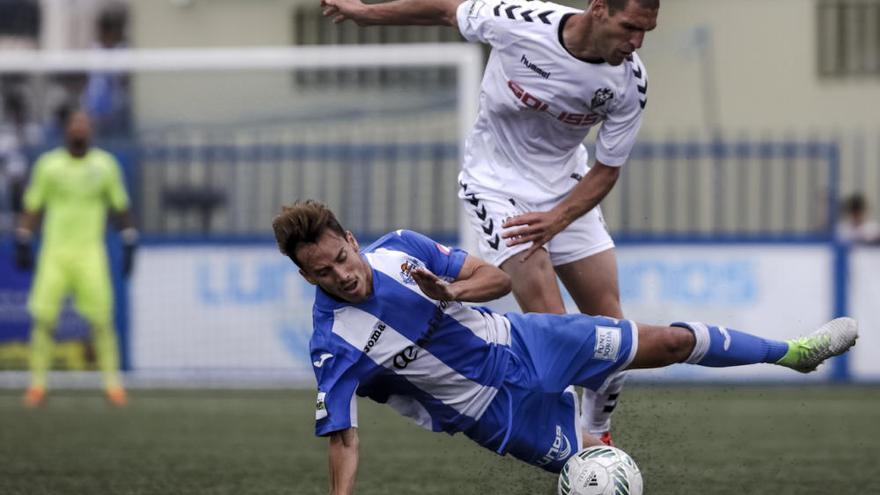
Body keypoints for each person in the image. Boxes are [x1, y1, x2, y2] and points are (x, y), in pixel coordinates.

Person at [272, 200, 857, 493]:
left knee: (672, 341)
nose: (341, 275)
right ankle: (591, 439)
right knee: (591, 483)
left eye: (341, 258)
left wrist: (449, 290)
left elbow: (498, 281)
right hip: (498, 416)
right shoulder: (333, 345)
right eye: (323, 273)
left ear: (351, 240)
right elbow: (344, 440)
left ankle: (794, 353)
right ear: (308, 279)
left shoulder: (401, 250)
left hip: (528, 341)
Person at [319, 0, 658, 441]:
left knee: (611, 326)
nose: (636, 42)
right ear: (598, 10)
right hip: (495, 187)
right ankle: (575, 446)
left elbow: (607, 169)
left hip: (566, 193)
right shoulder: (519, 22)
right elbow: (444, 10)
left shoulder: (630, 81)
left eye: (646, 30)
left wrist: (557, 218)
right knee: (557, 330)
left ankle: (598, 433)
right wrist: (366, 13)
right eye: (630, 26)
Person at [14, 110, 138, 407]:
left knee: (102, 320)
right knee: (43, 319)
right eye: (75, 123)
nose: (80, 128)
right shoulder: (49, 165)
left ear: (91, 129)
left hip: (89, 254)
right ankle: (38, 385)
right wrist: (23, 237)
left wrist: (129, 238)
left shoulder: (105, 165)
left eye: (85, 123)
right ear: (66, 129)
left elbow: (119, 205)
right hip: (54, 254)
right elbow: (33, 205)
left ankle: (113, 385)